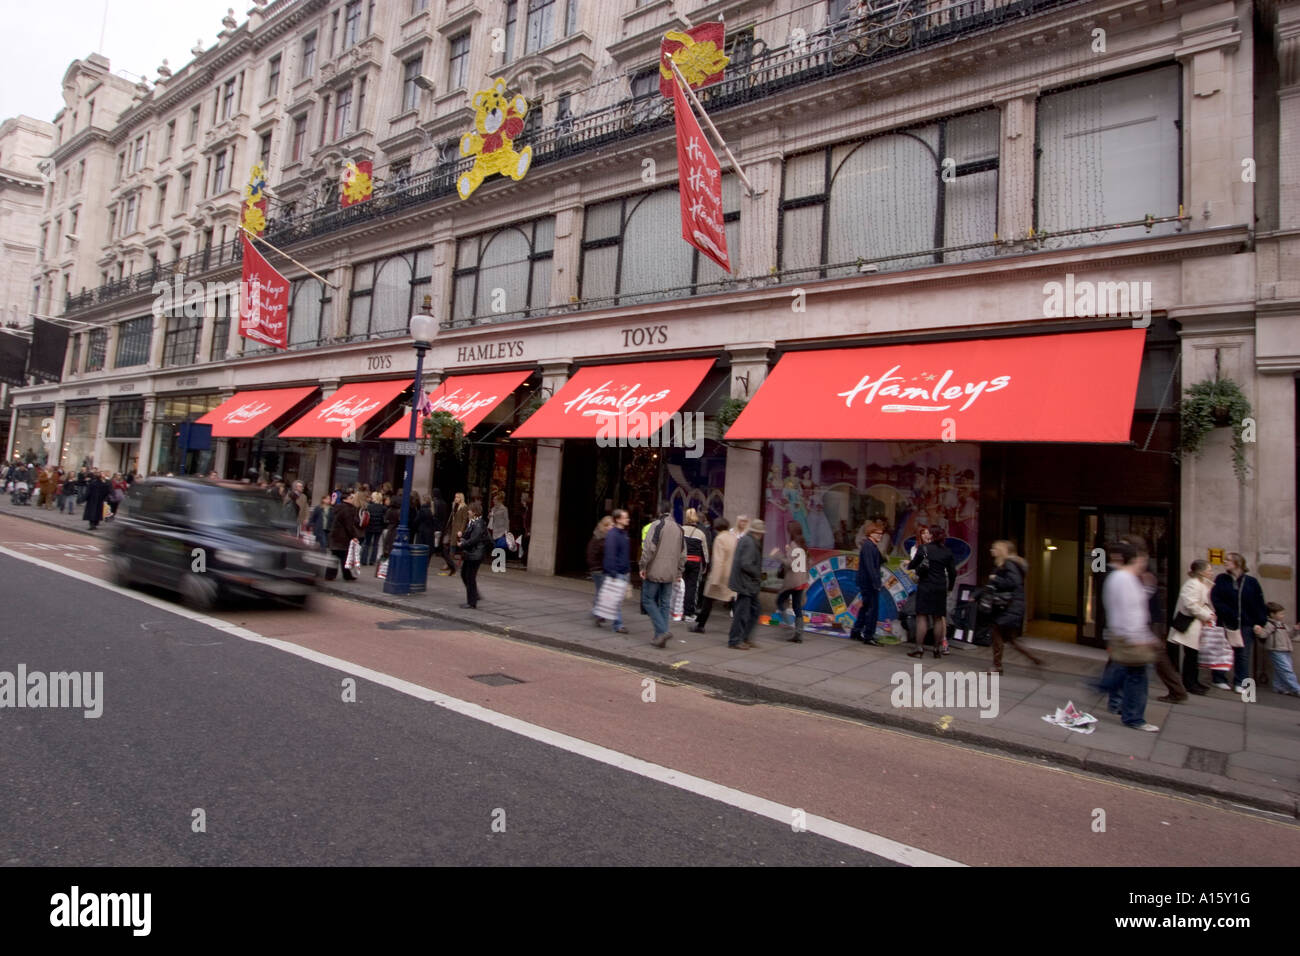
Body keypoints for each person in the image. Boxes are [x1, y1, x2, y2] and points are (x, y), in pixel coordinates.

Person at [1097, 537, 1160, 732]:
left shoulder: (1125, 578)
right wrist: (1139, 637)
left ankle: (1105, 692)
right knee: (1137, 677)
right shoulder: (1123, 579)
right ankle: (1133, 717)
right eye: (1142, 559)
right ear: (1134, 559)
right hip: (1129, 636)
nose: (1144, 563)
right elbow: (1128, 610)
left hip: (1128, 635)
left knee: (1127, 672)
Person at [1211, 552, 1270, 692]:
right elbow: (1216, 598)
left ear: (1238, 563)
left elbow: (1259, 603)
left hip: (1246, 623)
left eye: (1228, 560)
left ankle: (1240, 682)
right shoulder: (1221, 579)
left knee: (1243, 653)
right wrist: (1227, 613)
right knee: (1222, 650)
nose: (1225, 562)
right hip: (1226, 621)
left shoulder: (1251, 582)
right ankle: (1218, 678)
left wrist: (1259, 622)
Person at [986, 539, 1043, 671]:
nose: (991, 551)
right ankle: (1034, 658)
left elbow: (1013, 582)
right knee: (1011, 639)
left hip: (1009, 605)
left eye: (994, 548)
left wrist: (996, 578)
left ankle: (997, 666)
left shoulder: (1009, 563)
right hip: (1012, 605)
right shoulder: (1010, 564)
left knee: (997, 633)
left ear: (1001, 551)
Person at [1167, 558, 1218, 694]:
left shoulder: (1201, 584)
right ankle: (1189, 683)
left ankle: (1193, 682)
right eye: (1209, 570)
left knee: (1193, 655)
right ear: (1201, 572)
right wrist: (1206, 615)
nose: (1211, 573)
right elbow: (1190, 604)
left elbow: (1201, 604)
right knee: (1191, 655)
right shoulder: (1193, 584)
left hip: (1195, 624)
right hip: (1189, 624)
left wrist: (1209, 614)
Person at [907, 523, 957, 659]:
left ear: (933, 535)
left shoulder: (924, 549)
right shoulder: (947, 551)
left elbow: (913, 565)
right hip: (940, 586)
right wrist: (950, 587)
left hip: (925, 585)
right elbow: (953, 572)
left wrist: (910, 565)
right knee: (938, 618)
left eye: (929, 533)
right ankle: (936, 649)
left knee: (922, 617)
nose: (926, 535)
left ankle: (919, 648)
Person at [640, 503, 686, 648]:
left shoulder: (656, 525)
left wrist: (643, 566)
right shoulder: (679, 528)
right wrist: (679, 571)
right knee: (665, 604)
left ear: (659, 511)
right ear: (671, 512)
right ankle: (660, 637)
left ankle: (663, 631)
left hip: (655, 570)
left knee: (648, 600)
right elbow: (683, 554)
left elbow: (649, 549)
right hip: (671, 572)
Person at [1140, 566, 1187, 703]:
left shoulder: (1142, 571)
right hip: (1151, 620)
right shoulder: (1143, 570)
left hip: (1149, 621)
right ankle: (1178, 691)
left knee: (1158, 658)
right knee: (1159, 658)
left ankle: (1178, 691)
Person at [727, 518, 766, 649]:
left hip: (747, 584)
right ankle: (735, 640)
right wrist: (758, 574)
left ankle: (744, 637)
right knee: (742, 613)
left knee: (755, 610)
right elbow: (746, 564)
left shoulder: (748, 540)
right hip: (745, 584)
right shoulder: (749, 542)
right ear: (758, 533)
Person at [694, 518, 734, 634]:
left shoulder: (720, 538)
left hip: (719, 575)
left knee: (708, 600)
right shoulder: (733, 537)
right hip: (730, 575)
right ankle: (740, 627)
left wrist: (714, 579)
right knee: (732, 601)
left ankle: (700, 626)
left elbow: (719, 560)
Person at [849, 520, 886, 645]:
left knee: (866, 607)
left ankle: (856, 631)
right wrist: (876, 583)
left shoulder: (870, 546)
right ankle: (868, 635)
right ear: (871, 533)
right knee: (872, 608)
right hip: (869, 582)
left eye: (881, 533)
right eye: (877, 533)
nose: (880, 535)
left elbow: (877, 561)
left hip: (866, 581)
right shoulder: (869, 546)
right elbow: (870, 566)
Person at [772, 521, 809, 642]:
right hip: (801, 580)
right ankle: (798, 634)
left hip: (792, 581)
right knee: (797, 606)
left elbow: (791, 563)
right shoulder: (803, 544)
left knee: (779, 602)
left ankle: (788, 627)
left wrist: (778, 555)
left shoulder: (793, 544)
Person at [596, 510, 631, 634]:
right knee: (615, 600)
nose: (628, 519)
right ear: (618, 519)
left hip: (623, 572)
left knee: (614, 599)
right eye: (625, 517)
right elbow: (610, 555)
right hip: (617, 573)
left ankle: (598, 613)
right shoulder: (613, 535)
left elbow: (624, 554)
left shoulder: (624, 534)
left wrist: (628, 570)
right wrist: (613, 572)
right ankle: (618, 625)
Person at [1255, 602, 1300, 696]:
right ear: (1272, 614)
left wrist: (1295, 629)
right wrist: (1259, 631)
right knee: (1286, 670)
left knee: (1281, 669)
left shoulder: (1283, 625)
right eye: (1281, 614)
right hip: (1276, 650)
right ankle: (1296, 689)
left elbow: (1290, 635)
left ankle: (1279, 687)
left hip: (1285, 650)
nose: (1283, 616)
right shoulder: (1270, 624)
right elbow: (1264, 634)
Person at [458, 502, 491, 608]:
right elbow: (468, 535)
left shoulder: (479, 523)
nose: (468, 511)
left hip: (475, 554)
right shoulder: (473, 522)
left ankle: (472, 602)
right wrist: (462, 537)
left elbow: (475, 539)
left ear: (475, 512)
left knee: (470, 577)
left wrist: (463, 543)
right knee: (464, 574)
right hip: (471, 553)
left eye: (470, 510)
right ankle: (474, 595)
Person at [326, 490, 363, 581]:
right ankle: (346, 575)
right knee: (344, 556)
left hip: (335, 535)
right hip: (342, 537)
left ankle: (330, 575)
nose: (353, 499)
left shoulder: (338, 507)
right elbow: (349, 525)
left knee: (335, 556)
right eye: (351, 498)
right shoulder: (348, 509)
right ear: (345, 500)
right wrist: (353, 536)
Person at [681, 508, 709, 620]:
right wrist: (705, 565)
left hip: (682, 561)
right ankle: (688, 612)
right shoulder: (700, 533)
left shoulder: (680, 530)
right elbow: (705, 552)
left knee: (680, 585)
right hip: (695, 562)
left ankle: (678, 609)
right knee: (692, 587)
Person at [587, 515, 613, 623]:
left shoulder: (600, 535)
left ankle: (598, 612)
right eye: (611, 525)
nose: (613, 526)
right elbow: (596, 554)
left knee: (601, 591)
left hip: (598, 568)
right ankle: (597, 612)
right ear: (605, 526)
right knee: (602, 591)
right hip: (599, 569)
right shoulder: (601, 538)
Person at [446, 492, 469, 575]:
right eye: (455, 497)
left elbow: (464, 520)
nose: (456, 498)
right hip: (453, 528)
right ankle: (450, 564)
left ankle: (464, 564)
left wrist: (461, 530)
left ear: (461, 498)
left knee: (460, 546)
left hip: (458, 529)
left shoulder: (464, 507)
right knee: (452, 546)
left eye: (458, 497)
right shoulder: (454, 506)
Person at [361, 491, 386, 565]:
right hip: (378, 528)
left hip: (369, 527)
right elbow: (384, 519)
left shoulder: (369, 507)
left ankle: (364, 560)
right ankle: (372, 560)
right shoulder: (383, 508)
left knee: (367, 544)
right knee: (375, 544)